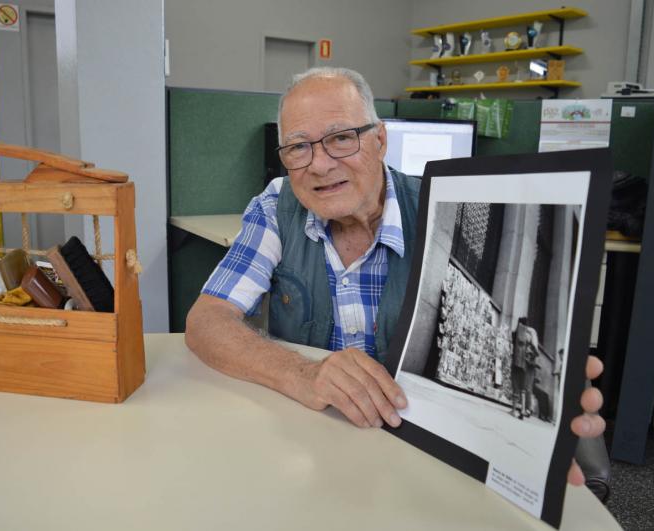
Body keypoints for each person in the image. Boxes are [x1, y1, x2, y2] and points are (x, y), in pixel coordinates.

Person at [185, 66, 604, 485]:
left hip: (421, 457)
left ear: (380, 140)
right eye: (298, 147)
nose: (319, 165)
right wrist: (303, 374)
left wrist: (534, 441)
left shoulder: (443, 207)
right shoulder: (277, 208)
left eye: (341, 138)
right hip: (312, 447)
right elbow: (206, 321)